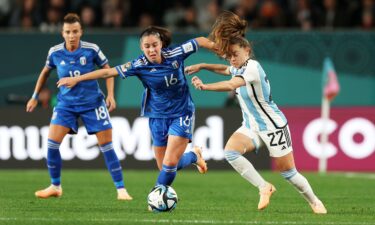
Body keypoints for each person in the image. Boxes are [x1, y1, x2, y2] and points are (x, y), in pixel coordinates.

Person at [186, 11, 327, 214]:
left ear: (247, 50)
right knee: (230, 152)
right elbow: (225, 70)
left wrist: (206, 87)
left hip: (272, 126)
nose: (231, 59)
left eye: (235, 55)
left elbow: (231, 83)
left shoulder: (252, 68)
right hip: (251, 125)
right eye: (229, 56)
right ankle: (264, 186)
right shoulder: (238, 65)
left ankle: (314, 202)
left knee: (288, 173)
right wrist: (202, 65)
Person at [57, 26, 214, 190]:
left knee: (169, 164)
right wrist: (77, 79)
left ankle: (156, 196)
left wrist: (221, 50)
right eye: (147, 46)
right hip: (157, 116)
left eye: (155, 45)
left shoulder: (176, 53)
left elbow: (201, 41)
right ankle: (194, 155)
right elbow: (107, 73)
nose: (152, 50)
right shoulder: (138, 65)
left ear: (161, 44)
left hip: (182, 112)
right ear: (142, 48)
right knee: (165, 167)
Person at [26, 13, 132, 201]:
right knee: (51, 145)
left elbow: (108, 70)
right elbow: (45, 72)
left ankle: (121, 190)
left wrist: (111, 95)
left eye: (75, 31)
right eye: (68, 32)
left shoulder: (92, 50)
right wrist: (34, 96)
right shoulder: (55, 52)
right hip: (66, 105)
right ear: (62, 33)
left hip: (93, 104)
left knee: (106, 145)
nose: (72, 35)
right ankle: (55, 186)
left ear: (81, 32)